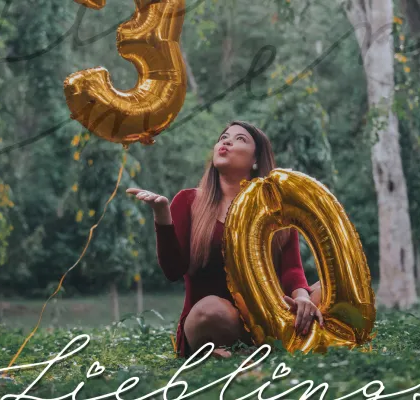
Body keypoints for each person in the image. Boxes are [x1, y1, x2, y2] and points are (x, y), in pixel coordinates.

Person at [126, 120, 323, 359]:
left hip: (269, 317)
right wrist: (161, 214)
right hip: (213, 322)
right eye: (223, 137)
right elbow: (172, 270)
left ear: (256, 160)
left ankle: (250, 349)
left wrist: (302, 298)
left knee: (325, 290)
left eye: (240, 139)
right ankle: (241, 350)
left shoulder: (275, 209)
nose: (226, 141)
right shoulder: (189, 201)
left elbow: (292, 269)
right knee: (210, 310)